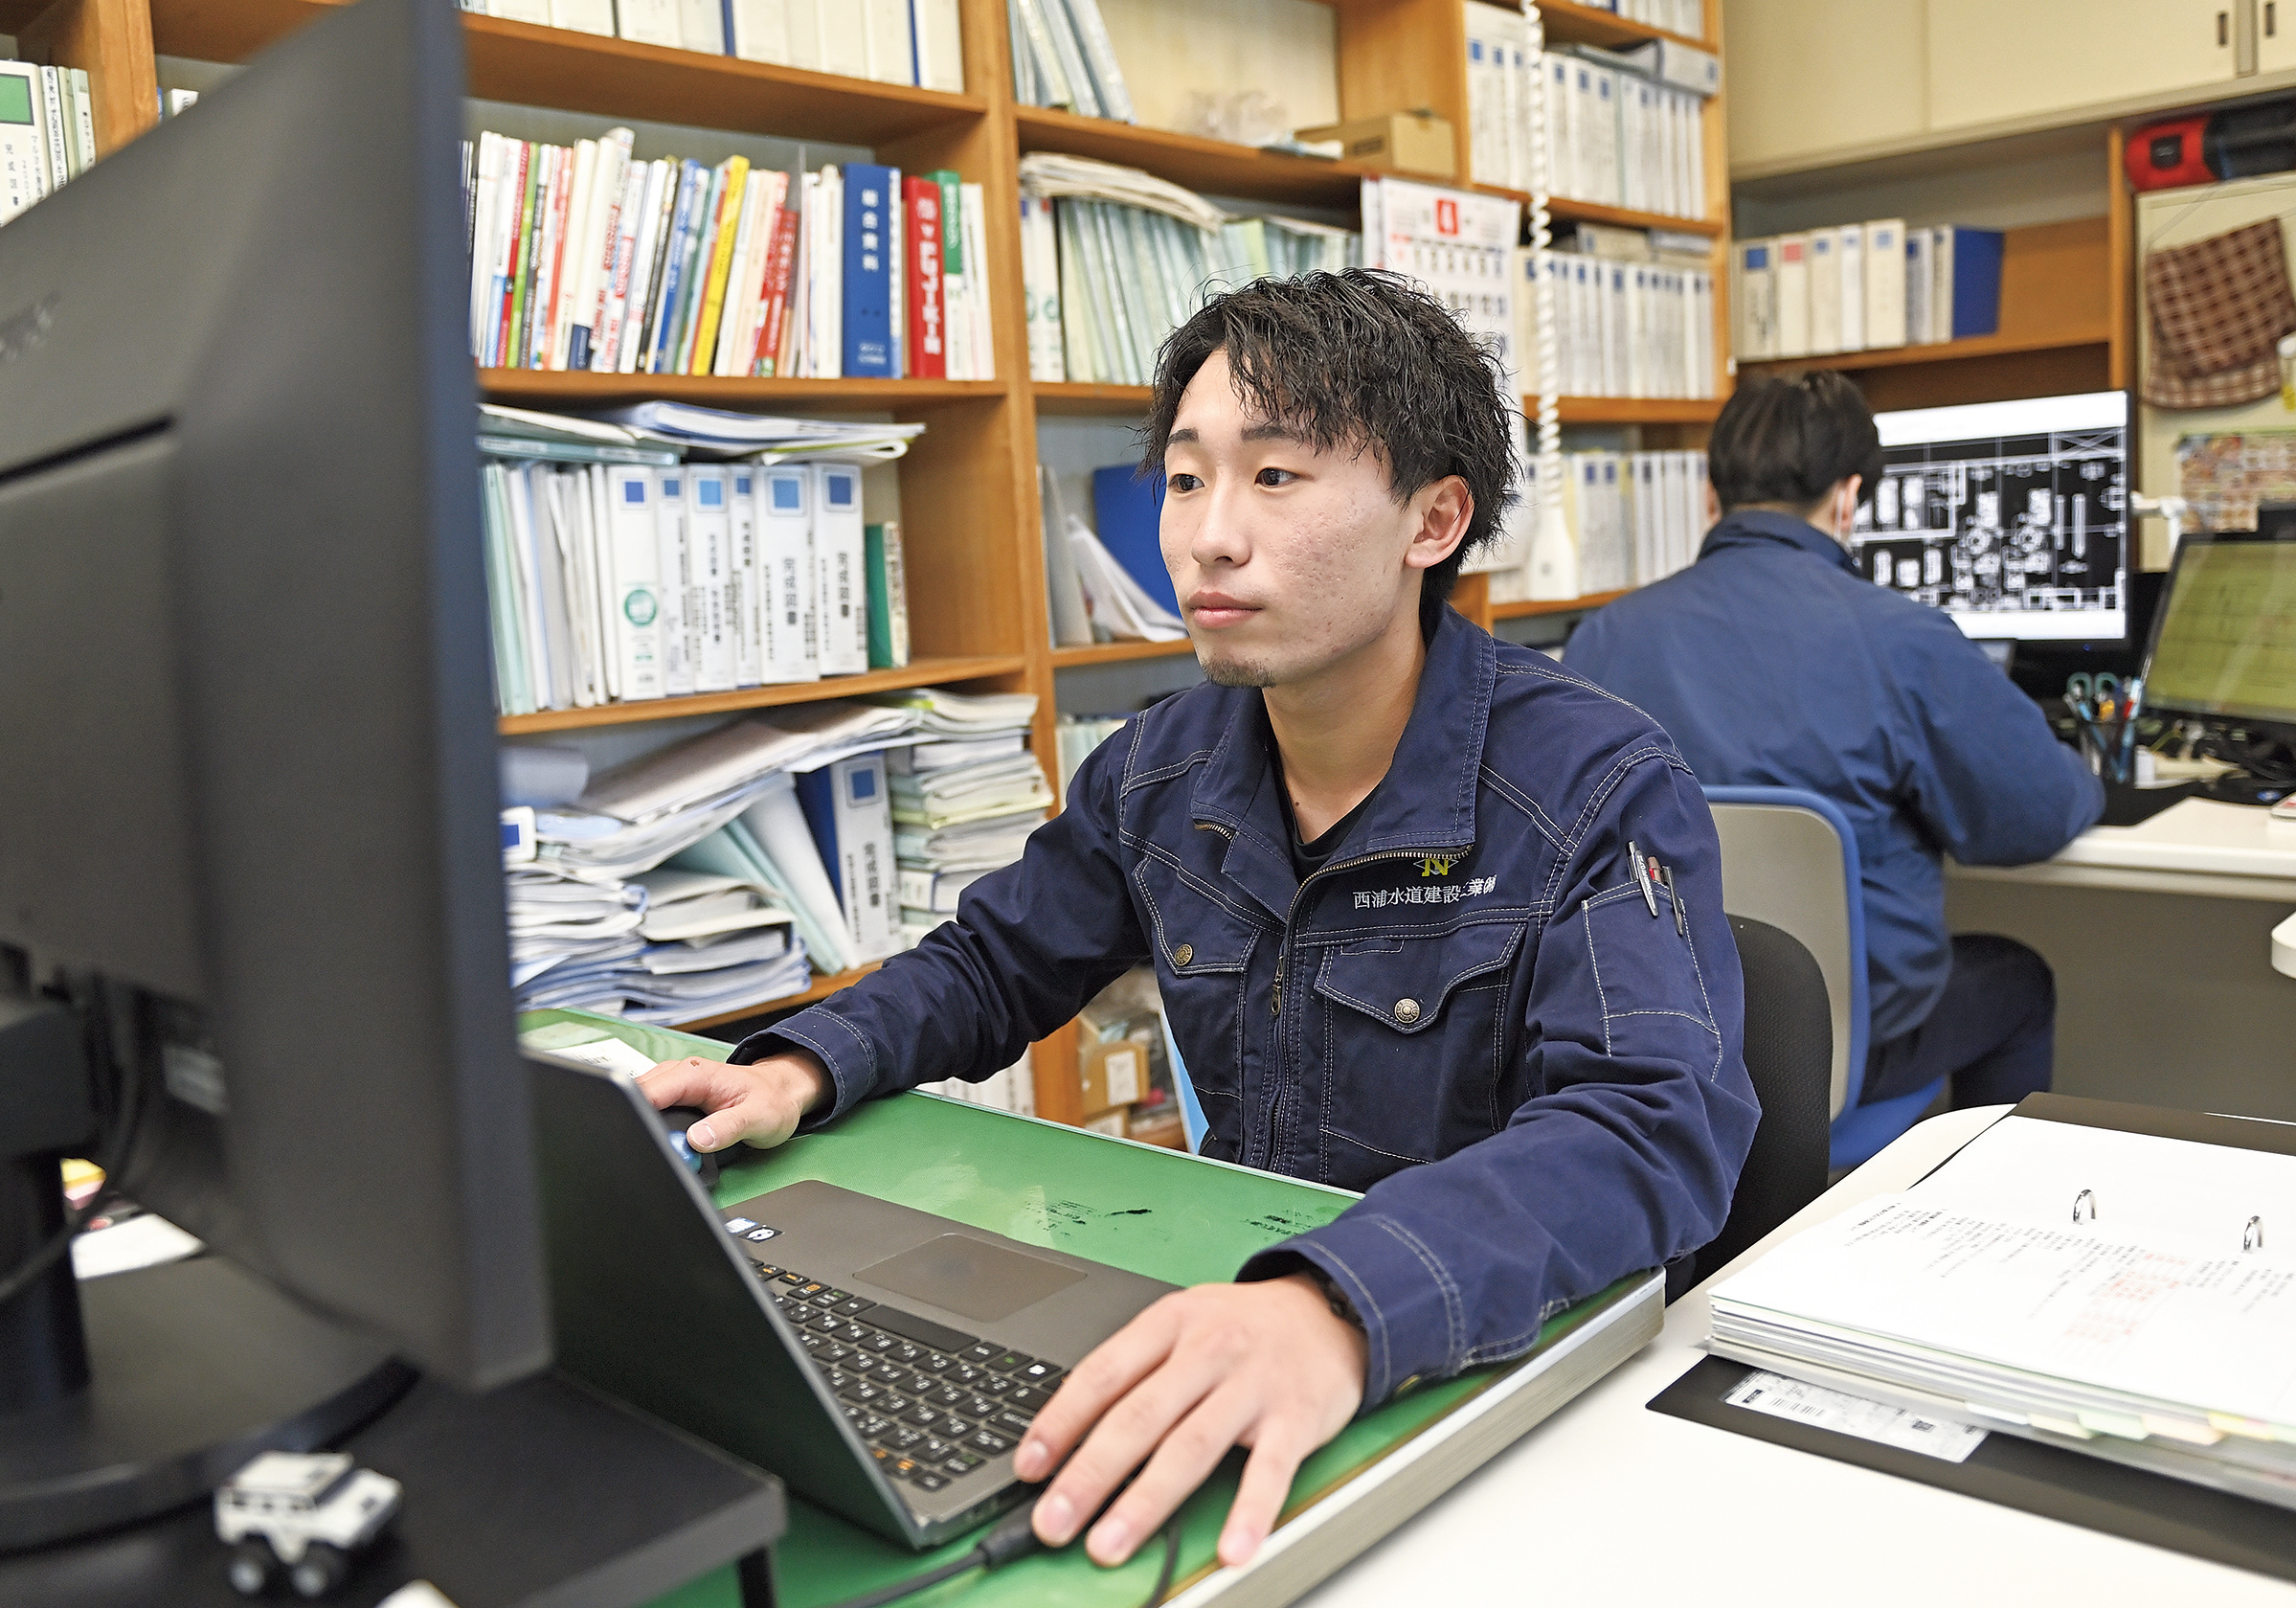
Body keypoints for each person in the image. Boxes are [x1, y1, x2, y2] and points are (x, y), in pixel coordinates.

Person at [641, 270, 1757, 1571]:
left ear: (1433, 519)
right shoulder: (1159, 765)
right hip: (1236, 1305)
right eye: (1184, 478)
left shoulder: (1592, 781)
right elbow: (996, 962)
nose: (1207, 536)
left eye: (1274, 476)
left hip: (1487, 1358)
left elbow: (1649, 1129)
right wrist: (798, 1063)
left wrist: (1339, 1304)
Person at [1567, 373, 2105, 1117]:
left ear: (1710, 496)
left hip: (1663, 1042)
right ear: (1848, 498)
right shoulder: (1901, 639)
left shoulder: (1601, 639)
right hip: (1848, 1049)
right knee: (2017, 980)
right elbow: (2040, 814)